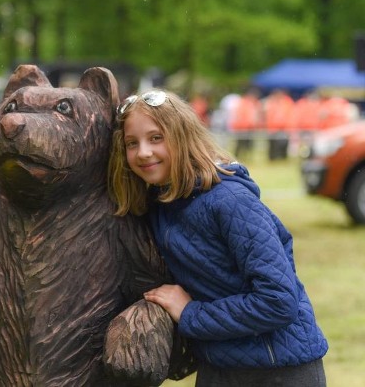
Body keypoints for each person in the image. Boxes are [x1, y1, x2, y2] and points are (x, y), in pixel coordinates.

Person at [108, 89, 328, 387]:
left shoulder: (231, 201)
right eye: (132, 143)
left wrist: (190, 313)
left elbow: (278, 301)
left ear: (182, 137)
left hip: (279, 370)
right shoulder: (159, 205)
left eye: (156, 138)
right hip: (218, 367)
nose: (143, 152)